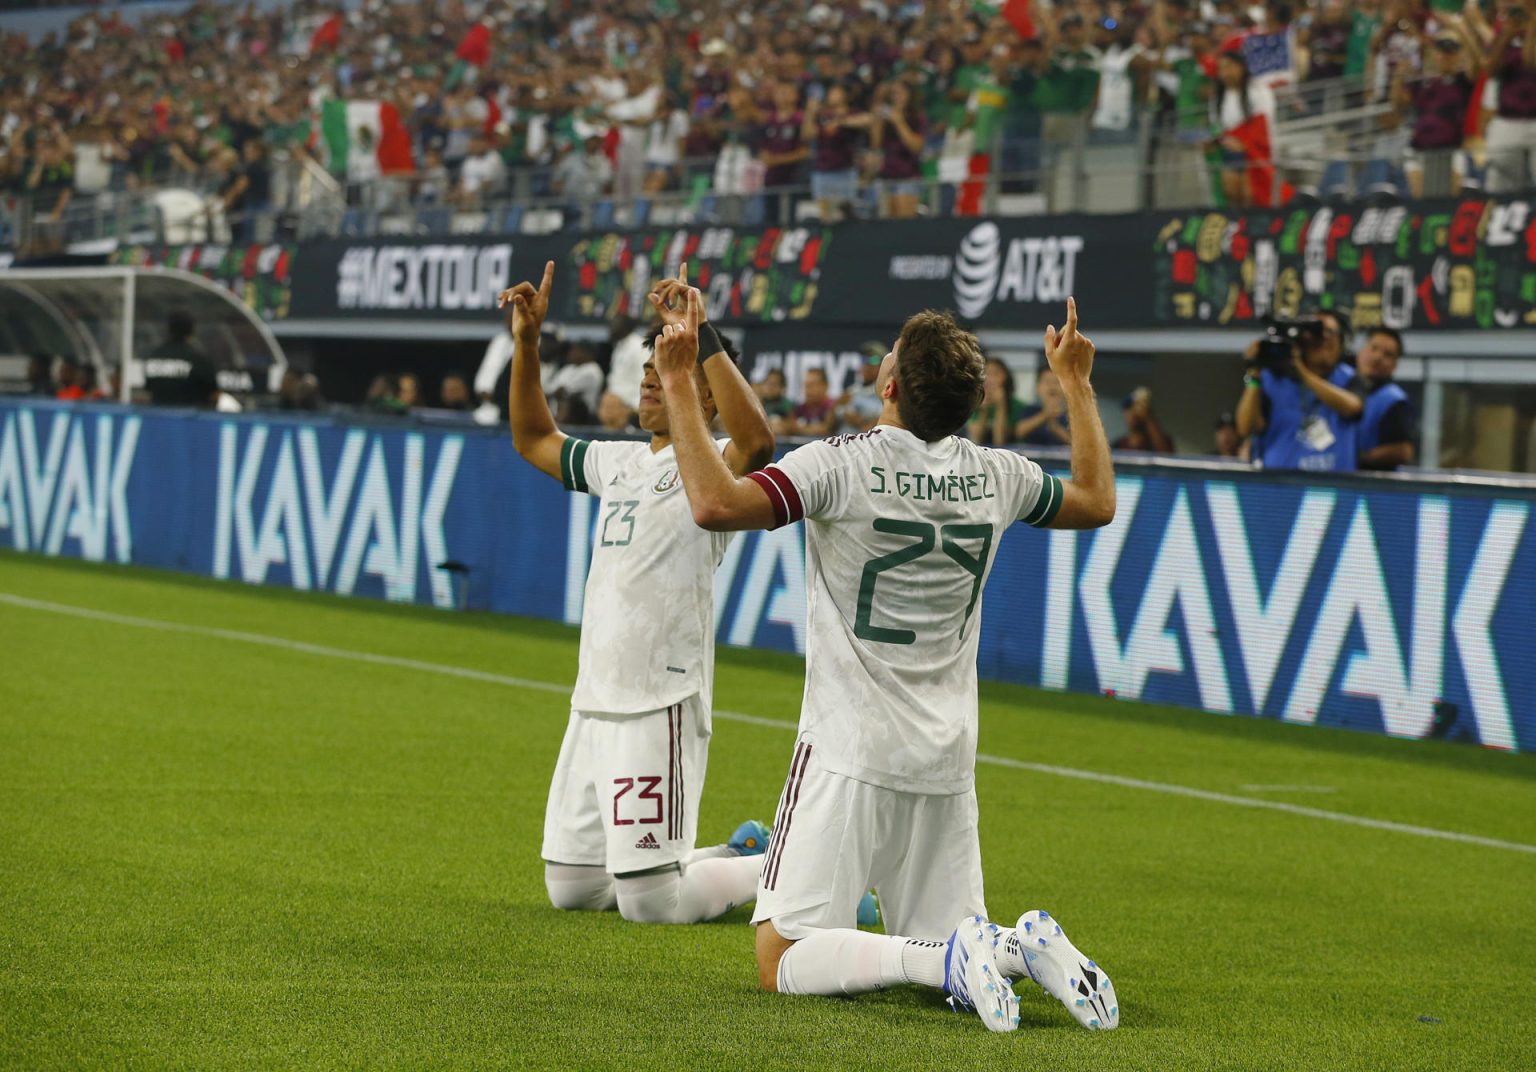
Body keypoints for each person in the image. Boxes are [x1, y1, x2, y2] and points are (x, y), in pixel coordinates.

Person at [650, 289, 1119, 1033]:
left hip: (848, 748)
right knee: (948, 941)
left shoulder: (840, 464)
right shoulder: (999, 474)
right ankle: (1013, 951)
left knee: (781, 958)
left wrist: (679, 382)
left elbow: (715, 503)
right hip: (946, 757)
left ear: (890, 383)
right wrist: (1077, 384)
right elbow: (1096, 500)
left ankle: (948, 959)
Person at [498, 261, 776, 925]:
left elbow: (760, 442)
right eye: (648, 376)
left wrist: (700, 339)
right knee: (574, 890)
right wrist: (528, 345)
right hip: (594, 697)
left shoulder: (712, 468)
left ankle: (792, 863)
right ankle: (738, 852)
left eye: (665, 376)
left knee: (652, 905)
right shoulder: (618, 463)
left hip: (661, 698)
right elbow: (534, 438)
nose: (651, 386)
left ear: (705, 395)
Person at [1236, 311, 1364, 471]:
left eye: (1330, 332)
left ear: (1341, 342)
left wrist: (1300, 370)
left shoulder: (1348, 377)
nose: (1323, 338)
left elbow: (1352, 407)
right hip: (1279, 488)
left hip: (1334, 490)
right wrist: (1254, 374)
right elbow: (1245, 428)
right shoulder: (1272, 380)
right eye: (1316, 332)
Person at [1355, 327, 1417, 470]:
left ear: (1395, 366)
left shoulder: (1394, 400)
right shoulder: (1340, 385)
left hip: (1369, 486)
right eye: (1373, 348)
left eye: (1387, 354)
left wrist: (1357, 458)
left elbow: (1403, 452)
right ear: (1361, 351)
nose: (1377, 357)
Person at [143, 310, 219, 408]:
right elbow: (214, 395)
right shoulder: (198, 359)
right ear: (191, 331)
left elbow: (149, 390)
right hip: (191, 420)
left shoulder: (154, 357)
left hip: (159, 419)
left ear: (169, 330)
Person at [966, 357, 1029, 446]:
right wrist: (984, 411)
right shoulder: (973, 404)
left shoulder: (1018, 406)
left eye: (995, 374)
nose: (989, 379)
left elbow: (999, 442)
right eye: (986, 373)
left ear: (1006, 377)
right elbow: (977, 439)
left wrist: (1001, 405)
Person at [1015, 368, 1072, 447]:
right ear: (1038, 388)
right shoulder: (1030, 409)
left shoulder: (1072, 414)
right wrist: (1045, 414)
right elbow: (1019, 432)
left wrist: (1056, 428)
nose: (1052, 386)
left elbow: (1076, 444)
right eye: (1047, 382)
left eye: (1057, 382)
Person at [839, 343, 887, 434]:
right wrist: (838, 407)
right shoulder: (850, 392)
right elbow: (831, 423)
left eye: (873, 360)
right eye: (863, 360)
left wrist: (860, 421)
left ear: (883, 365)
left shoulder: (888, 392)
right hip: (844, 443)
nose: (867, 365)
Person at [1115, 388, 1175, 452]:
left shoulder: (1157, 442)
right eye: (1128, 408)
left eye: (1136, 408)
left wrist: (1148, 418)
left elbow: (1165, 454)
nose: (1133, 413)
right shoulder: (1119, 444)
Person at [789, 367, 839, 437]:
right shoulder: (800, 408)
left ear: (825, 386)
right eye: (806, 385)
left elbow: (826, 430)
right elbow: (789, 427)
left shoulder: (833, 407)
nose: (807, 390)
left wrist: (800, 429)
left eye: (812, 385)